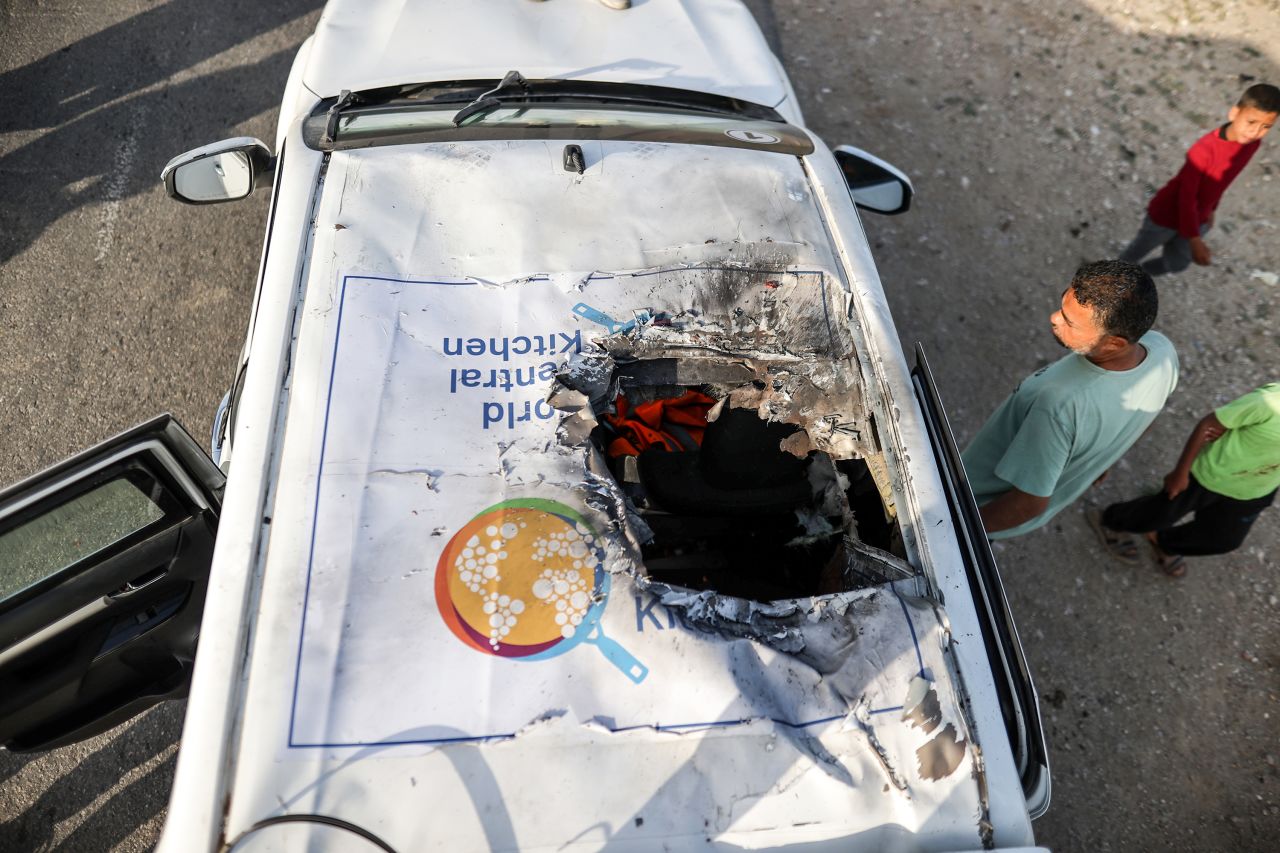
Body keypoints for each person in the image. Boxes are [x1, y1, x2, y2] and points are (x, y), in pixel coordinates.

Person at [962, 260, 1178, 539]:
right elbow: (1148, 413)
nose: (1054, 318)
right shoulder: (1162, 351)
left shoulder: (1058, 406)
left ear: (1114, 343)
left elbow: (1028, 503)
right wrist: (1104, 458)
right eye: (1062, 307)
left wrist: (958, 530)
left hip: (971, 505)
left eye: (1069, 322)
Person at [1091, 384, 1280, 577]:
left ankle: (1162, 541)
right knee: (1159, 514)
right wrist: (1181, 473)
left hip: (1255, 491)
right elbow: (1208, 425)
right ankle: (1110, 522)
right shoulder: (1269, 403)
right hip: (1208, 476)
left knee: (1224, 539)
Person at [1119, 84, 1280, 276]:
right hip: (1166, 215)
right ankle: (1104, 283)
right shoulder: (1203, 151)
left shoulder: (1251, 145)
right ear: (1234, 113)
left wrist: (1212, 209)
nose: (1255, 132)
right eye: (1251, 122)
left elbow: (1223, 181)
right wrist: (1195, 238)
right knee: (1133, 254)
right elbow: (1185, 197)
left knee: (1177, 264)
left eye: (1266, 127)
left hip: (1198, 218)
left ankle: (1140, 276)